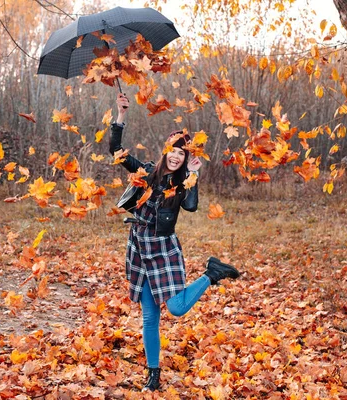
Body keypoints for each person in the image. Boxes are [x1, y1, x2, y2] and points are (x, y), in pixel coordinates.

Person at [109, 92, 240, 392]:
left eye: (182, 153)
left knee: (177, 308)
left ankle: (212, 273)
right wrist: (121, 115)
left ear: (185, 159)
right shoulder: (146, 171)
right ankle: (153, 375)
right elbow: (116, 150)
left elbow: (191, 206)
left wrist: (193, 176)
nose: (176, 155)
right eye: (173, 150)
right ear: (166, 150)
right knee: (149, 317)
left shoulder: (182, 184)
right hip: (139, 250)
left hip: (164, 250)